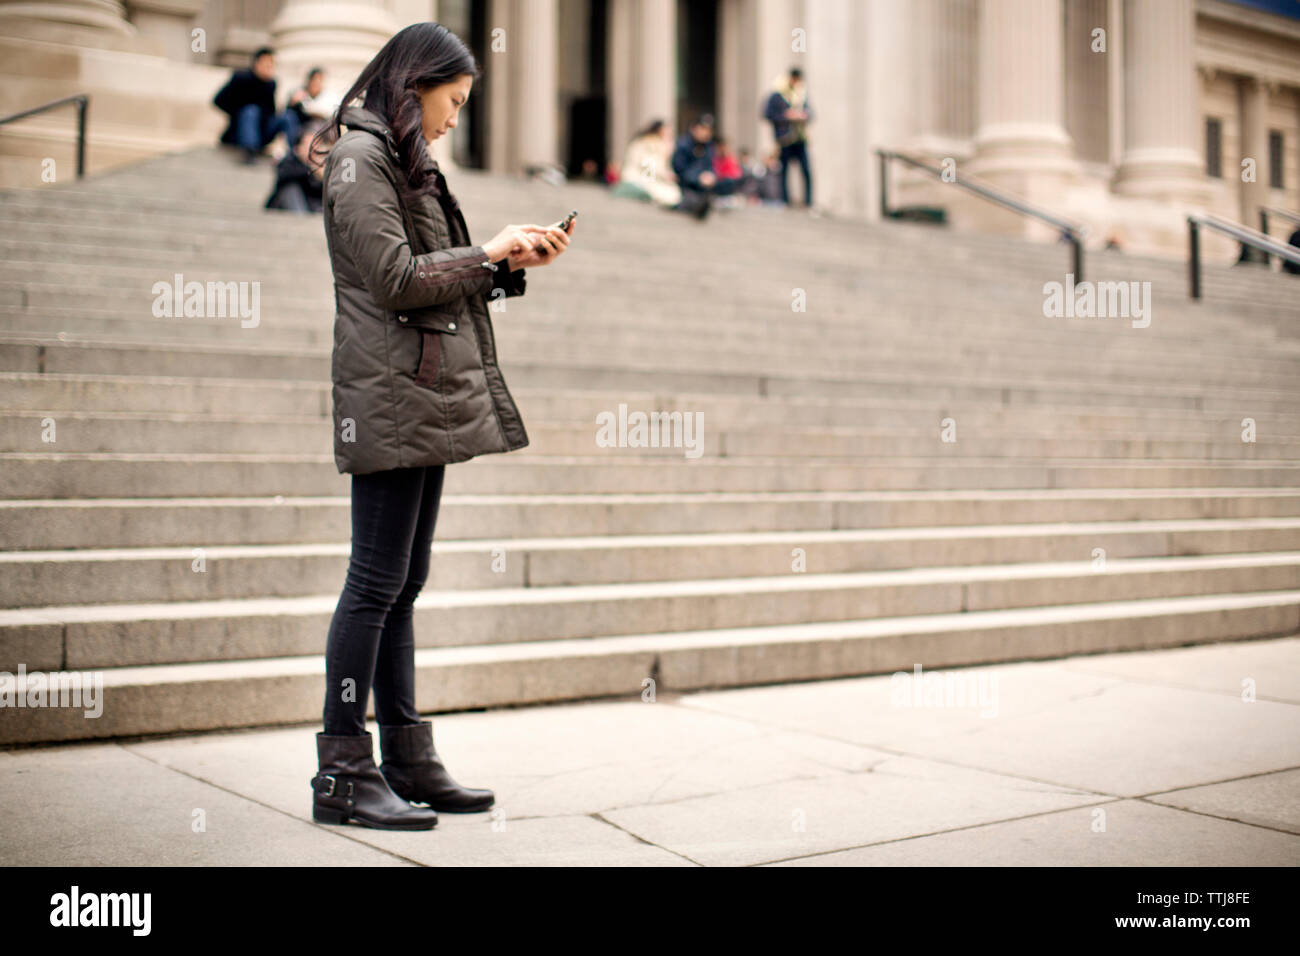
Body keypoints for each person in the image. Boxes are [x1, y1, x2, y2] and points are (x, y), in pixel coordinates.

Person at [306, 21, 575, 831]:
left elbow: (432, 276)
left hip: (420, 390)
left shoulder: (402, 159)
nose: (455, 118)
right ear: (415, 83)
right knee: (373, 584)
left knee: (404, 582)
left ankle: (407, 757)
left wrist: (502, 261)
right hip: (390, 393)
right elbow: (392, 278)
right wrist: (485, 250)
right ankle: (343, 769)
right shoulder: (360, 159)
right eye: (452, 101)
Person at [213, 47, 300, 163]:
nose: (269, 67)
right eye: (266, 63)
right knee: (251, 111)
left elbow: (271, 112)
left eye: (271, 64)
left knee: (288, 116)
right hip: (240, 132)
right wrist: (238, 114)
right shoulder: (241, 78)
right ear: (257, 63)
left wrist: (292, 104)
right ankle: (250, 150)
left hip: (262, 131)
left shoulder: (271, 84)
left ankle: (296, 153)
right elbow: (218, 100)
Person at [763, 66, 814, 208]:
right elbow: (767, 114)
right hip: (785, 139)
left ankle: (808, 201)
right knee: (784, 170)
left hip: (799, 138)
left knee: (806, 170)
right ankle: (785, 200)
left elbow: (811, 113)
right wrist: (785, 116)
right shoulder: (777, 95)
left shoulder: (801, 95)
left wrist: (803, 115)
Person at [671, 114, 738, 220]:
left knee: (729, 182)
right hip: (687, 185)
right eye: (703, 129)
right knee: (690, 198)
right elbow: (680, 170)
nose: (706, 133)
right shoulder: (683, 145)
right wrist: (698, 178)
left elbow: (710, 166)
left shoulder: (708, 147)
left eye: (709, 130)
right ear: (694, 128)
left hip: (705, 185)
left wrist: (710, 176)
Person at [614, 118, 680, 208]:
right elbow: (648, 168)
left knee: (673, 192)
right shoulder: (649, 143)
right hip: (640, 178)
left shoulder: (656, 144)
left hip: (648, 177)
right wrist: (664, 175)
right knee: (670, 193)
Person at [265, 119, 327, 213]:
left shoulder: (323, 164)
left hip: (312, 206)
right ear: (298, 148)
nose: (314, 149)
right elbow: (285, 174)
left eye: (317, 145)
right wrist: (312, 170)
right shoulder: (289, 161)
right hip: (287, 204)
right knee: (291, 188)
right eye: (309, 145)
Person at [287, 66, 333, 135]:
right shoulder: (300, 93)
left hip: (320, 126)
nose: (315, 84)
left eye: (318, 81)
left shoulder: (328, 96)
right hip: (302, 126)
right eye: (314, 81)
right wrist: (293, 102)